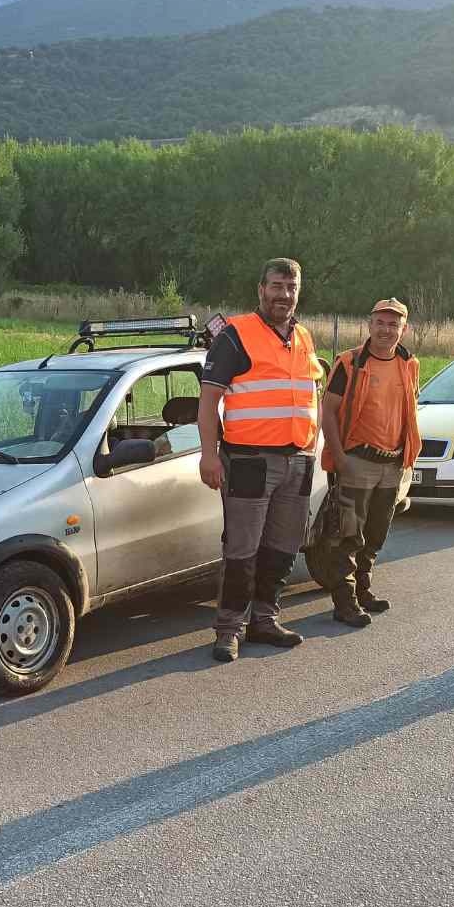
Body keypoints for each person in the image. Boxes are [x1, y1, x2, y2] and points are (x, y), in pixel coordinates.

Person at [198, 258, 321, 663]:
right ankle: (229, 629)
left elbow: (308, 395)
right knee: (242, 550)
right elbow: (209, 401)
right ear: (261, 289)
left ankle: (265, 620)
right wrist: (208, 455)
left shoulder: (303, 337)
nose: (284, 294)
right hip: (249, 462)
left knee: (283, 549)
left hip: (298, 460)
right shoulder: (236, 335)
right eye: (276, 286)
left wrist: (313, 448)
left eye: (291, 286)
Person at [314, 298, 420, 628]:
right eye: (381, 323)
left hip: (393, 463)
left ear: (404, 329)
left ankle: (362, 590)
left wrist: (407, 458)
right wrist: (339, 456)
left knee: (376, 533)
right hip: (357, 460)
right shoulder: (349, 363)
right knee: (347, 535)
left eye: (394, 325)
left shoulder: (409, 363)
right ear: (369, 325)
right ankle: (344, 602)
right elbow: (327, 412)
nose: (387, 330)